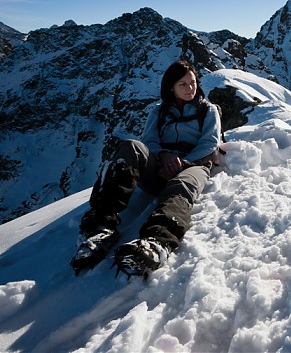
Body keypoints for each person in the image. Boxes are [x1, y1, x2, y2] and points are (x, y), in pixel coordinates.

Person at [70, 60, 221, 278]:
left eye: (193, 82)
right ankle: (100, 227)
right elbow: (149, 140)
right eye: (183, 84)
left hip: (194, 164)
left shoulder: (208, 110)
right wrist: (164, 156)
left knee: (182, 185)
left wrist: (182, 162)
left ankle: (156, 242)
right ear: (171, 87)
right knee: (131, 147)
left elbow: (209, 143)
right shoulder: (159, 112)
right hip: (159, 166)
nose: (191, 88)